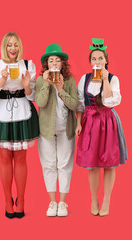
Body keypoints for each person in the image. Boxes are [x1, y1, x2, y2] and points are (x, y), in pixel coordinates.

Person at [0, 32, 39, 219]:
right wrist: (2, 80)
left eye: (15, 45)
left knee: (21, 159)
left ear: (20, 46)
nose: (12, 49)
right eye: (9, 45)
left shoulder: (28, 65)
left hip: (23, 110)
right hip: (1, 110)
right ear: (4, 47)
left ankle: (21, 201)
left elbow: (34, 97)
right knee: (5, 159)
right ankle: (7, 201)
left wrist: (27, 85)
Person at [76, 38, 128, 216]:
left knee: (109, 163)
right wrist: (78, 124)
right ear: (90, 61)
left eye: (100, 58)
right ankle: (94, 199)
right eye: (94, 59)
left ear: (106, 60)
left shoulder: (113, 79)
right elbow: (80, 105)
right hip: (90, 123)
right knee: (92, 165)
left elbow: (110, 101)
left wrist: (105, 80)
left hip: (108, 122)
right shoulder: (84, 79)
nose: (97, 62)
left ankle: (106, 200)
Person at [36, 44, 78, 217]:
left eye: (57, 60)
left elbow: (74, 105)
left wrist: (60, 89)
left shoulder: (69, 81)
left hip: (66, 129)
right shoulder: (40, 80)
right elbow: (40, 102)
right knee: (48, 165)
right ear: (47, 64)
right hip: (45, 130)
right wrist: (46, 85)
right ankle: (52, 202)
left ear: (62, 64)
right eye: (50, 60)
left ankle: (62, 203)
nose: (54, 63)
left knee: (64, 165)